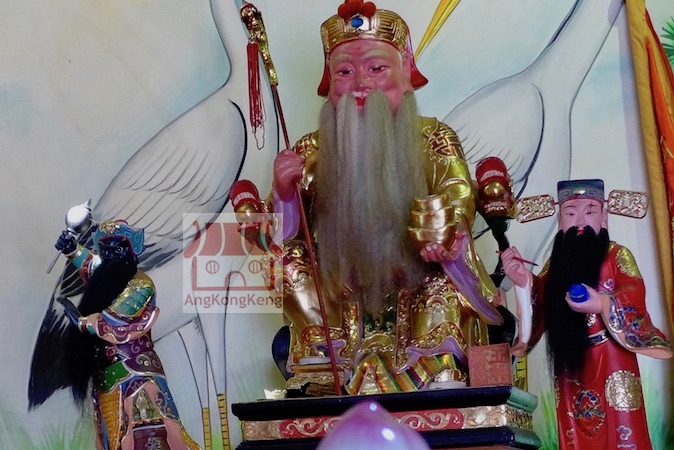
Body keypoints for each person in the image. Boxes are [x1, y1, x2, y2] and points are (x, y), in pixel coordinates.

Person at [233, 0, 502, 396]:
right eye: (344, 72)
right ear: (330, 83)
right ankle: (324, 362)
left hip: (417, 285)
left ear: (404, 73)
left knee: (441, 281)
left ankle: (433, 361)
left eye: (376, 69)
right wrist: (285, 193)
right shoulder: (310, 151)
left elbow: (458, 191)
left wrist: (444, 230)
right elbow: (278, 235)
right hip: (338, 296)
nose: (360, 83)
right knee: (283, 260)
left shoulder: (434, 138)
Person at [500, 179, 672, 449]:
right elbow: (542, 299)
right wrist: (523, 281)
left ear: (604, 217)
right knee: (574, 430)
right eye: (570, 213)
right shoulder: (556, 265)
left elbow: (633, 292)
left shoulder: (618, 255)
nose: (580, 221)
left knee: (623, 424)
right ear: (560, 221)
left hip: (612, 356)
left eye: (590, 211)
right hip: (571, 360)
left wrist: (602, 303)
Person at [54, 219, 200, 450]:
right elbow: (93, 265)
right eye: (105, 251)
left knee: (147, 435)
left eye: (118, 249)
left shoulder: (141, 286)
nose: (111, 256)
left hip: (136, 373)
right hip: (107, 375)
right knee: (112, 439)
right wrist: (72, 249)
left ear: (132, 250)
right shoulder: (109, 276)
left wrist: (81, 323)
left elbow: (113, 320)